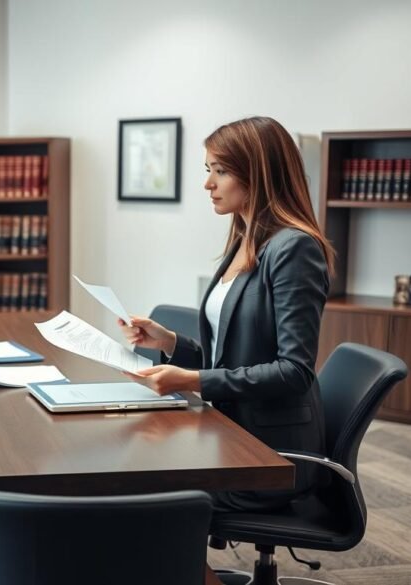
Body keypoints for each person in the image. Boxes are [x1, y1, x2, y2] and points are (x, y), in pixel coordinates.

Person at [120, 116, 336, 512]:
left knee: (141, 485)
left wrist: (193, 381)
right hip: (231, 430)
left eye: (220, 171)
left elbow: (294, 371)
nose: (208, 184)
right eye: (209, 170)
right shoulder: (245, 239)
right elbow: (234, 358)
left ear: (258, 173)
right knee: (131, 463)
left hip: (269, 453)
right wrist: (168, 343)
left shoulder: (293, 249)